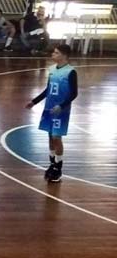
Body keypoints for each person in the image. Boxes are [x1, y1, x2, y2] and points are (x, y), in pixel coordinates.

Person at [26, 44, 78, 184]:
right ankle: (52, 163)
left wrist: (61, 106)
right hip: (49, 108)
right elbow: (48, 89)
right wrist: (34, 102)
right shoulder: (51, 70)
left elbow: (74, 93)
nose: (52, 55)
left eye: (56, 53)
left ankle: (59, 168)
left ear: (64, 55)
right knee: (50, 136)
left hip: (61, 110)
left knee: (56, 137)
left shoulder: (71, 72)